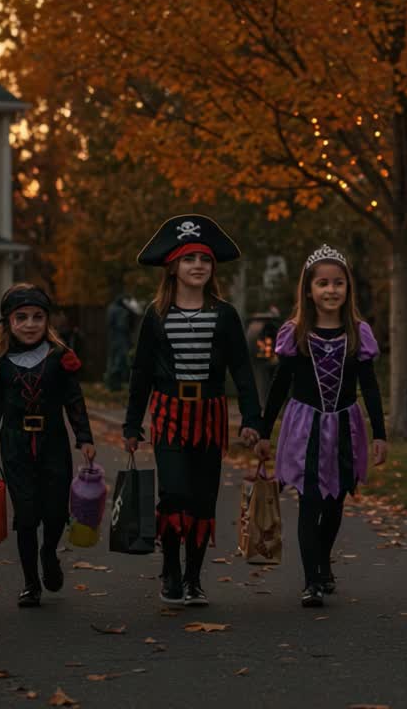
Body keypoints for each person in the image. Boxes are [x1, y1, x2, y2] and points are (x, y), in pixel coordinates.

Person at [122, 214, 262, 607]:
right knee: (175, 494)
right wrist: (132, 424)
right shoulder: (155, 315)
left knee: (202, 499)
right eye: (188, 258)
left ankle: (194, 578)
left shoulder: (225, 314)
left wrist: (253, 419)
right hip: (169, 414)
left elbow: (242, 372)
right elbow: (141, 373)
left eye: (203, 258)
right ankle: (170, 569)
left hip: (210, 414)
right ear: (173, 267)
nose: (197, 265)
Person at [256, 245, 387, 607]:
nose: (331, 290)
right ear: (309, 290)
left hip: (345, 427)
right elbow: (279, 387)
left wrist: (380, 434)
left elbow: (371, 387)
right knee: (310, 501)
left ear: (348, 289)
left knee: (334, 504)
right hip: (305, 428)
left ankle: (323, 562)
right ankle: (312, 579)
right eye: (323, 283)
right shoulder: (295, 334)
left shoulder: (357, 334)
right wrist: (265, 432)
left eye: (339, 283)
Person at [0, 283, 96, 607]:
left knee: (55, 512)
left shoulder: (59, 359)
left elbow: (74, 400)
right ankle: (31, 584)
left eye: (37, 317)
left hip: (53, 442)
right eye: (22, 317)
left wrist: (84, 437)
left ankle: (49, 554)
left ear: (47, 321)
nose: (30, 324)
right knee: (26, 516)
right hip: (15, 444)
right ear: (8, 322)